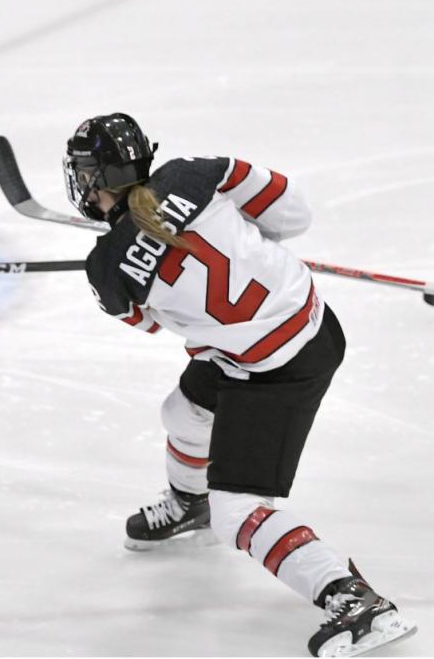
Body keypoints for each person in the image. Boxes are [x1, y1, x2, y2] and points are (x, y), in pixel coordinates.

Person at [65, 113, 416, 657]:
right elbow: (293, 215)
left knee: (241, 511)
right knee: (183, 413)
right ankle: (189, 502)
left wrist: (130, 253)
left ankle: (351, 598)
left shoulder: (106, 272)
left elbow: (153, 323)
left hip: (274, 372)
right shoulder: (197, 173)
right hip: (304, 327)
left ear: (92, 179)